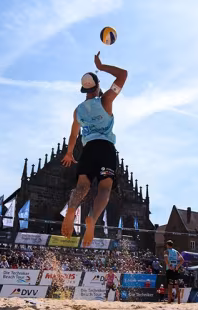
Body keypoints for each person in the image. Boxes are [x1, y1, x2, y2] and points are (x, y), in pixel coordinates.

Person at [61, 52, 128, 248]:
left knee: (82, 186)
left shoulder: (78, 110)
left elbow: (73, 134)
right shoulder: (105, 100)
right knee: (105, 189)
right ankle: (92, 217)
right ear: (98, 86)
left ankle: (72, 208)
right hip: (106, 148)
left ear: (83, 90)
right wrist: (101, 64)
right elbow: (123, 75)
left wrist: (69, 153)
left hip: (88, 149)